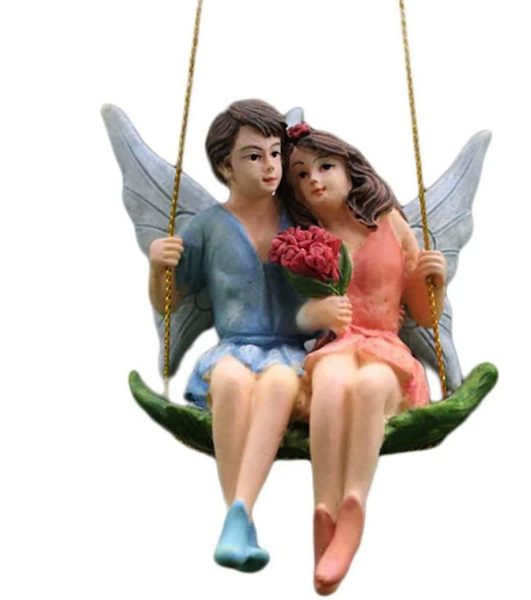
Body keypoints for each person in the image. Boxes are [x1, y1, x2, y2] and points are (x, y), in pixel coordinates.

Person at [281, 123, 447, 594]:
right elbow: (293, 316)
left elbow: (424, 314)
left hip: (385, 346)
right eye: (301, 174)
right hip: (337, 344)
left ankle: (353, 506)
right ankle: (324, 509)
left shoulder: (389, 223)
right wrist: (316, 312)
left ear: (351, 169)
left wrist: (434, 280)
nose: (314, 179)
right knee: (332, 381)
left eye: (325, 166)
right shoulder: (306, 240)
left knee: (371, 385)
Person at [148, 100, 308, 573]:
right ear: (225, 166)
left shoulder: (302, 216)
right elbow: (169, 302)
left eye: (276, 153)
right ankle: (240, 518)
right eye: (253, 156)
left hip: (293, 350)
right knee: (230, 382)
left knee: (280, 382)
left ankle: (237, 517)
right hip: (234, 348)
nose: (271, 166)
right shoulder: (206, 227)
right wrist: (158, 267)